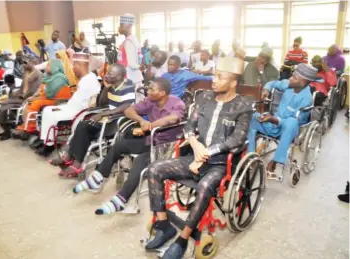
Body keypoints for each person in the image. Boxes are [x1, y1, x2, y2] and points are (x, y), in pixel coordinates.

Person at [144, 57, 252, 259]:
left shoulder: (243, 106)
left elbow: (237, 140)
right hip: (193, 157)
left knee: (204, 186)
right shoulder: (203, 99)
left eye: (220, 77)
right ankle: (164, 225)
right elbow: (188, 127)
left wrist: (206, 154)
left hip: (220, 165)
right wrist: (196, 145)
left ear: (233, 82)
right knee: (154, 169)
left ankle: (182, 239)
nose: (214, 80)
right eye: (215, 75)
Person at [72, 78, 185, 216]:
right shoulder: (150, 100)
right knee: (119, 144)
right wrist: (142, 120)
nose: (147, 91)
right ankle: (98, 177)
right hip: (150, 141)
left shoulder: (177, 103)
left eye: (151, 89)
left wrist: (151, 125)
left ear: (162, 93)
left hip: (168, 147)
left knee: (139, 163)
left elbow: (172, 119)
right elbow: (128, 111)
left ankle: (121, 199)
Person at [50, 64, 136, 176]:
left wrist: (104, 113)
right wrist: (106, 87)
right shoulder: (113, 85)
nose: (106, 75)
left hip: (120, 121)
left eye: (110, 73)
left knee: (85, 127)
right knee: (83, 124)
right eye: (107, 72)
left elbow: (126, 106)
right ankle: (71, 157)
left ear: (120, 76)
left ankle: (75, 163)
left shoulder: (128, 86)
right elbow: (102, 103)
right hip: (110, 118)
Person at [247, 63, 317, 177]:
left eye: (294, 77)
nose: (290, 78)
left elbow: (297, 122)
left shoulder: (306, 99)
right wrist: (267, 89)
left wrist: (274, 120)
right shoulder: (288, 85)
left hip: (290, 131)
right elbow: (273, 82)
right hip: (275, 123)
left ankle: (274, 162)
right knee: (254, 116)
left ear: (303, 81)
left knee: (291, 122)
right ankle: (251, 155)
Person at [36, 53, 100, 156]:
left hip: (77, 112)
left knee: (49, 112)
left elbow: (82, 104)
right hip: (73, 107)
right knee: (48, 110)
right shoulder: (88, 78)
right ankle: (46, 140)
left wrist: (64, 108)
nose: (73, 69)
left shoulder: (88, 81)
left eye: (74, 66)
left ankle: (48, 145)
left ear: (79, 65)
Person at [11, 59, 72, 139]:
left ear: (55, 67)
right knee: (31, 102)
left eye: (48, 65)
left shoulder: (59, 78)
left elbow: (50, 94)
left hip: (57, 100)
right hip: (49, 98)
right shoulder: (49, 77)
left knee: (34, 103)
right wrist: (34, 97)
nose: (46, 67)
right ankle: (26, 127)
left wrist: (37, 98)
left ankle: (30, 128)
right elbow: (42, 91)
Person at [0, 55, 42, 141]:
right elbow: (22, 88)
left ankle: (8, 130)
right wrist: (16, 93)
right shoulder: (26, 73)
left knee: (4, 106)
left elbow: (34, 90)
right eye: (22, 63)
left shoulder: (38, 75)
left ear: (32, 62)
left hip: (27, 99)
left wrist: (22, 96)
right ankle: (7, 129)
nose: (24, 65)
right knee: (2, 105)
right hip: (20, 97)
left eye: (25, 63)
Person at [117, 14, 143, 100]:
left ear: (128, 25)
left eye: (121, 25)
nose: (119, 28)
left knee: (132, 106)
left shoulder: (129, 41)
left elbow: (132, 64)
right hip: (133, 78)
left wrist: (140, 67)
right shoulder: (132, 39)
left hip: (130, 79)